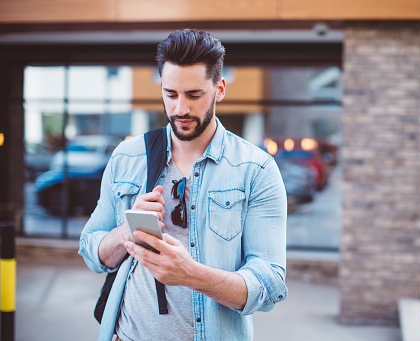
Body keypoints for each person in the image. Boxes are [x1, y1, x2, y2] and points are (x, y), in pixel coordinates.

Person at [79, 29, 288, 341]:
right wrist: (128, 230)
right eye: (170, 94)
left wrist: (190, 274)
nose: (180, 110)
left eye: (194, 95)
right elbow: (91, 252)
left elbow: (269, 286)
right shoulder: (127, 157)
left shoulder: (256, 170)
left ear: (219, 89)